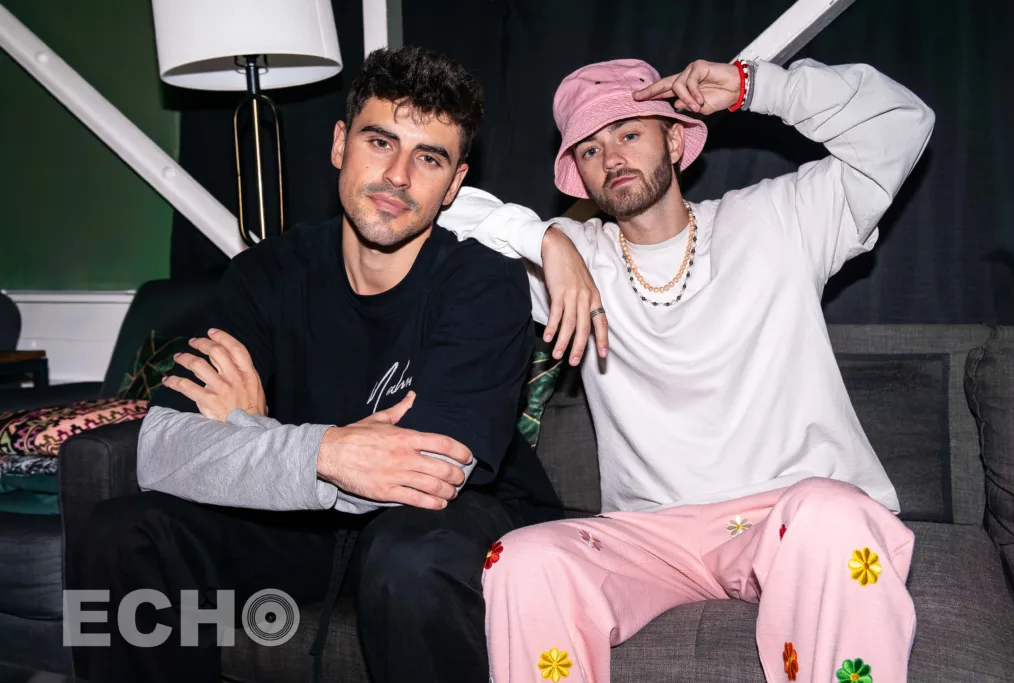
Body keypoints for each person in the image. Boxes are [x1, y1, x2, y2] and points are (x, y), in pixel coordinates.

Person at [70, 46, 562, 683]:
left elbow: (430, 474)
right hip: (306, 527)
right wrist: (326, 454)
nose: (398, 176)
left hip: (457, 523)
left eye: (429, 158)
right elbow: (161, 450)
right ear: (339, 144)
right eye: (379, 141)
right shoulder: (266, 274)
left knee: (407, 555)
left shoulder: (482, 283)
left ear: (454, 184)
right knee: (121, 531)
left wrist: (252, 434)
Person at [438, 55, 935, 682]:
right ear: (578, 176)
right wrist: (541, 240)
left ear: (675, 138)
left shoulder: (780, 219)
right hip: (652, 537)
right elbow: (421, 201)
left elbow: (901, 124)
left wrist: (759, 88)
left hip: (791, 518)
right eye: (589, 149)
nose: (611, 157)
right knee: (525, 559)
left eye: (629, 133)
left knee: (836, 516)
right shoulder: (572, 261)